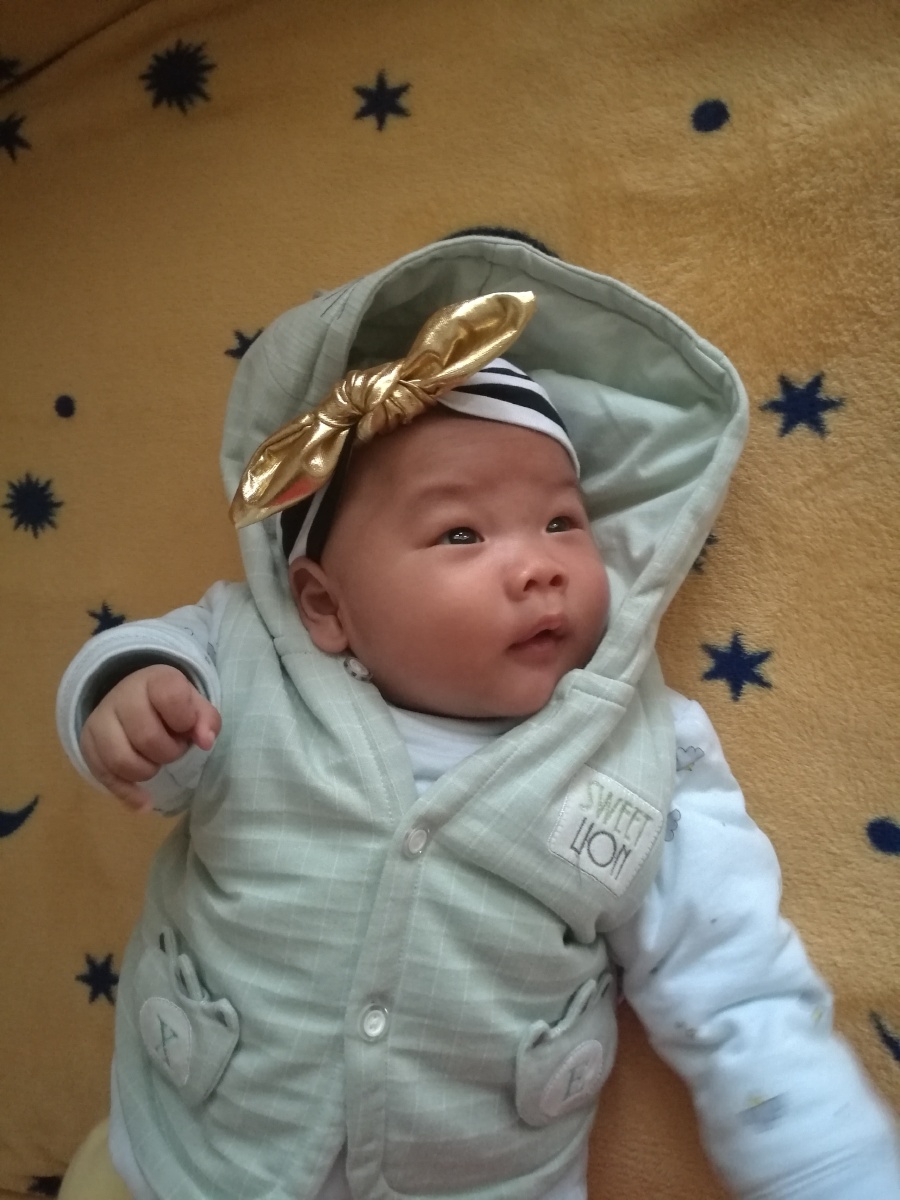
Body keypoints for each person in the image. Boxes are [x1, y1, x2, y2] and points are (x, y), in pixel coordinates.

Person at [57, 243, 900, 1200]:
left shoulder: (644, 751)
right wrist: (132, 699)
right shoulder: (251, 660)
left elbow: (735, 983)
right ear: (326, 604)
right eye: (461, 532)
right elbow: (154, 729)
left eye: (562, 522)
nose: (540, 566)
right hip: (191, 1161)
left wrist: (833, 1167)